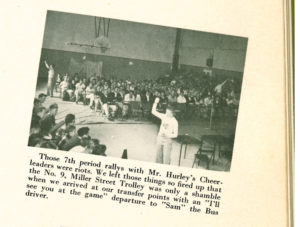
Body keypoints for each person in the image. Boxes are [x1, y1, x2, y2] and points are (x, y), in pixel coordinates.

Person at [151, 97, 178, 164]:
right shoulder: (164, 116)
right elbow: (153, 111)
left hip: (168, 139)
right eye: (166, 111)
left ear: (172, 113)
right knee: (158, 156)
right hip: (160, 137)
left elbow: (175, 134)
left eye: (168, 112)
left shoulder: (175, 122)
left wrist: (167, 135)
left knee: (166, 158)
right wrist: (155, 102)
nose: (166, 113)